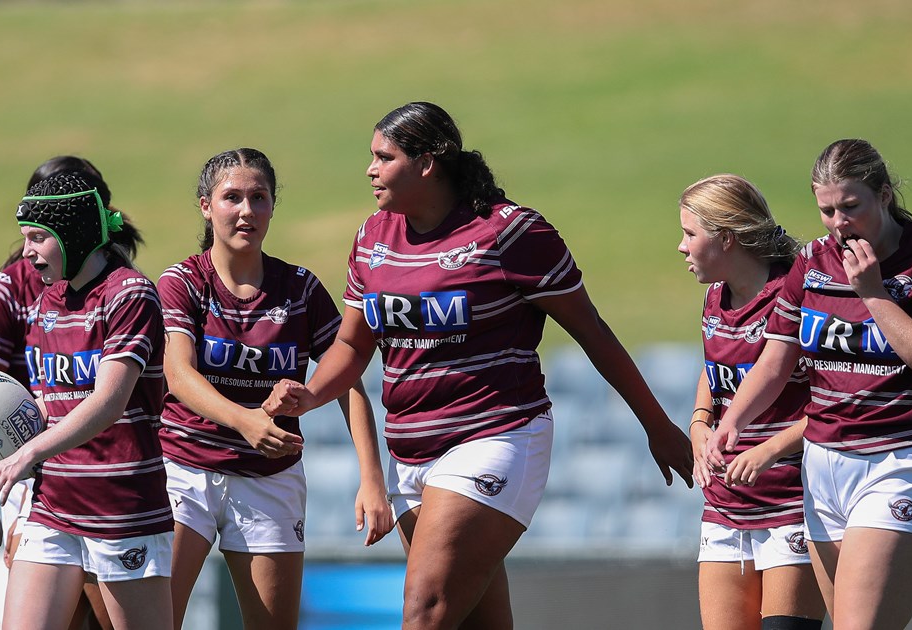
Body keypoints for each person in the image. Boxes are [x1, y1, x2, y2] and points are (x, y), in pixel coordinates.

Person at [263, 102, 694, 629]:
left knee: (423, 613)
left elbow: (594, 335)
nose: (370, 170)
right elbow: (354, 347)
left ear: (428, 163)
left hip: (493, 438)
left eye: (384, 156)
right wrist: (309, 396)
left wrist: (658, 426)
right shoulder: (373, 236)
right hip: (408, 451)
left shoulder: (509, 233)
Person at [705, 139, 912, 630]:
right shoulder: (813, 261)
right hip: (825, 465)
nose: (838, 223)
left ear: (884, 195)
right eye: (826, 210)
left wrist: (874, 295)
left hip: (898, 459)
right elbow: (776, 358)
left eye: (851, 207)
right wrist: (733, 422)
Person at [157, 148, 391, 629]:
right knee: (156, 621)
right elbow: (178, 375)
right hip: (184, 473)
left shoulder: (301, 289)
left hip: (271, 478)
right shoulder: (182, 282)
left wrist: (372, 479)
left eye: (259, 198)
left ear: (272, 206)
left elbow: (347, 381)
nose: (246, 211)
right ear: (206, 206)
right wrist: (246, 421)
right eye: (232, 197)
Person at [0, 171, 172, 630]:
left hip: (124, 508)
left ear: (73, 234)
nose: (27, 251)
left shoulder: (130, 294)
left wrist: (25, 454)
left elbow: (108, 401)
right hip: (52, 503)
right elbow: (49, 403)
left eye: (39, 237)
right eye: (24, 239)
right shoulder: (45, 302)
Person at [677, 175, 824, 630]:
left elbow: (837, 399)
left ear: (726, 239)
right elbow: (715, 369)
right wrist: (700, 423)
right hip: (725, 505)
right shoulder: (713, 297)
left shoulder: (796, 298)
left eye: (690, 234)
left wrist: (769, 449)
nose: (681, 247)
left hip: (794, 505)